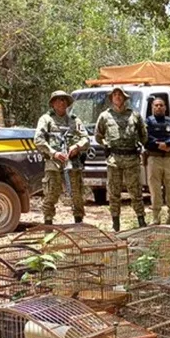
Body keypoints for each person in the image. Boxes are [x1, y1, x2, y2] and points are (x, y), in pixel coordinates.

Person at [95, 86, 148, 232]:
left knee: (136, 191)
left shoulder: (135, 116)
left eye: (120, 95)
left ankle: (141, 220)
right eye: (115, 95)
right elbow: (98, 136)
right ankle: (115, 223)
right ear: (111, 98)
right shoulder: (105, 116)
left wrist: (139, 145)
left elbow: (144, 136)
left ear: (124, 98)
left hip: (131, 159)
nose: (117, 97)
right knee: (113, 192)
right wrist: (106, 144)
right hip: (114, 160)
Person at [34, 90, 90, 225]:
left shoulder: (74, 120)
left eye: (64, 100)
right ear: (53, 103)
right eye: (58, 100)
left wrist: (76, 146)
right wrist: (54, 153)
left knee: (77, 195)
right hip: (53, 164)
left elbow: (86, 139)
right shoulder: (46, 120)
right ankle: (48, 225)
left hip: (72, 164)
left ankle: (79, 223)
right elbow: (38, 140)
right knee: (51, 194)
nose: (62, 102)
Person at [145, 97, 170, 224]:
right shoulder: (147, 122)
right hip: (154, 159)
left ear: (165, 107)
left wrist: (168, 144)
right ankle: (156, 217)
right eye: (156, 105)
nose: (159, 107)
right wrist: (158, 145)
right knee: (155, 189)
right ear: (152, 108)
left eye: (161, 105)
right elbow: (145, 137)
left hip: (169, 159)